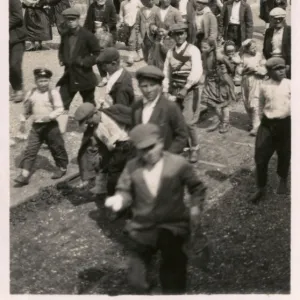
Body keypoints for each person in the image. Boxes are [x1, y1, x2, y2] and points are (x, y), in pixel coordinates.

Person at [105, 123, 207, 294]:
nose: (148, 153)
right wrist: (120, 199)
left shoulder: (178, 164)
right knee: (136, 279)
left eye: (151, 147)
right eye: (142, 150)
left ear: (161, 142)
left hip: (173, 225)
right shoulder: (132, 167)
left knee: (173, 278)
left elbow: (197, 188)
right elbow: (125, 189)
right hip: (143, 227)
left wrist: (195, 208)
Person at [14, 68, 69, 186]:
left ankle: (62, 168)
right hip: (36, 127)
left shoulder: (53, 93)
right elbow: (27, 109)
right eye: (40, 81)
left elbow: (60, 108)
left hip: (51, 126)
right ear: (35, 81)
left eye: (45, 81)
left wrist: (50, 116)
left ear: (49, 81)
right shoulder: (31, 93)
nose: (43, 83)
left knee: (57, 147)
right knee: (30, 150)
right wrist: (23, 119)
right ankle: (24, 175)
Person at [249, 57, 290, 203]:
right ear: (270, 71)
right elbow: (260, 105)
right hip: (267, 124)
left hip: (285, 124)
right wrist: (262, 121)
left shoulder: (290, 85)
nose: (282, 71)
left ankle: (283, 179)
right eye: (278, 69)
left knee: (284, 154)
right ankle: (261, 188)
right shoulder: (264, 86)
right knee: (260, 157)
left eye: (283, 68)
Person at [56, 7, 101, 134]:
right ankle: (58, 132)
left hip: (84, 75)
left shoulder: (88, 36)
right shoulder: (65, 34)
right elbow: (61, 48)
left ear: (78, 19)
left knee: (89, 103)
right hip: (69, 75)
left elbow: (97, 53)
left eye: (73, 20)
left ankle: (95, 130)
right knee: (61, 102)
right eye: (68, 20)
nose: (71, 22)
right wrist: (61, 58)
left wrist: (84, 62)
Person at [163, 23, 202, 163]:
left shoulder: (193, 50)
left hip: (190, 89)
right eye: (176, 34)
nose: (179, 36)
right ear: (172, 36)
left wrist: (187, 87)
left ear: (186, 34)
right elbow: (166, 72)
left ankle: (195, 148)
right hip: (175, 88)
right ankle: (183, 145)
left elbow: (197, 70)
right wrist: (165, 90)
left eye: (181, 33)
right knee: (175, 119)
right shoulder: (170, 52)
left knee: (188, 121)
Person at [75, 103, 133, 195]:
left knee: (115, 172)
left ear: (96, 113)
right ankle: (103, 188)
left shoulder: (110, 118)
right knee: (105, 165)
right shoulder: (95, 127)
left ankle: (115, 194)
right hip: (114, 148)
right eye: (87, 122)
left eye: (89, 120)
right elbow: (103, 140)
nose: (89, 124)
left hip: (125, 145)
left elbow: (117, 136)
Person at [132, 65, 188, 155]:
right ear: (139, 86)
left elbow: (182, 137)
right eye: (144, 86)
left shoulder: (171, 107)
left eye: (152, 85)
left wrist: (166, 157)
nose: (148, 90)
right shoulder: (136, 107)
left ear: (160, 86)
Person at [200, 38, 236, 134]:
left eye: (205, 47)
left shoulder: (219, 56)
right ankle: (216, 120)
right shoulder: (203, 55)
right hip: (210, 81)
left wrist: (226, 72)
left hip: (220, 82)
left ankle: (225, 122)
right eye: (201, 47)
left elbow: (231, 67)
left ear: (212, 47)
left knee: (224, 103)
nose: (202, 49)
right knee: (209, 101)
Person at [84, 0, 118, 87]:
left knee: (109, 57)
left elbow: (113, 20)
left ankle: (112, 76)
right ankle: (103, 77)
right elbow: (88, 21)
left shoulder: (110, 5)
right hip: (95, 36)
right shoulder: (92, 6)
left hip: (108, 36)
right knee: (98, 57)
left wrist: (103, 28)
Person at [240, 39, 267, 136]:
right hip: (246, 81)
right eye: (252, 48)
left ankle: (257, 126)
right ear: (246, 50)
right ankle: (253, 122)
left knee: (254, 102)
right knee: (246, 101)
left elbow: (265, 69)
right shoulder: (243, 57)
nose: (254, 49)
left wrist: (255, 70)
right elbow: (240, 70)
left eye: (255, 47)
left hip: (256, 80)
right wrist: (244, 71)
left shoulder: (259, 55)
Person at [263, 7, 291, 78]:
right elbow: (265, 49)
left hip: (285, 62)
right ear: (271, 19)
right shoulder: (269, 31)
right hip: (272, 60)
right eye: (275, 19)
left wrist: (288, 64)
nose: (278, 21)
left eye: (280, 19)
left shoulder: (289, 31)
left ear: (284, 19)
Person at [9, 0, 27, 103]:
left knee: (14, 65)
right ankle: (14, 88)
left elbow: (18, 17)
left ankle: (19, 89)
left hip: (17, 38)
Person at [119, 0, 144, 66]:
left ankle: (131, 57)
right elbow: (121, 13)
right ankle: (140, 54)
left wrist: (141, 20)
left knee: (131, 39)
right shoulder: (123, 3)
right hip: (127, 24)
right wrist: (121, 21)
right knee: (136, 39)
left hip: (135, 23)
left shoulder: (137, 1)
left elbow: (143, 10)